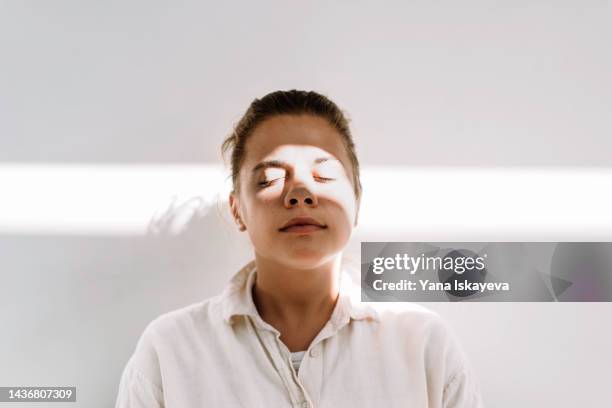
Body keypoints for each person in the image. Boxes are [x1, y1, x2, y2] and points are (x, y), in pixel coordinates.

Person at [114, 89, 485, 407]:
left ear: (357, 200)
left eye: (324, 175)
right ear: (237, 209)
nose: (300, 193)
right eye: (270, 178)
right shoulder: (169, 349)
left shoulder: (423, 344)